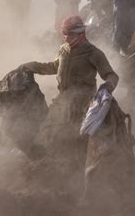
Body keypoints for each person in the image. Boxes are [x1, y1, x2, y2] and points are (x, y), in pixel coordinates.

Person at [19, 15, 119, 168]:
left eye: (69, 34)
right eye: (64, 33)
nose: (66, 37)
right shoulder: (64, 49)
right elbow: (54, 67)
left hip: (83, 103)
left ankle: (76, 169)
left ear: (79, 33)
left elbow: (112, 76)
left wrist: (107, 87)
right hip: (63, 100)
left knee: (77, 138)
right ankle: (44, 165)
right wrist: (32, 66)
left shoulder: (93, 53)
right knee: (47, 131)